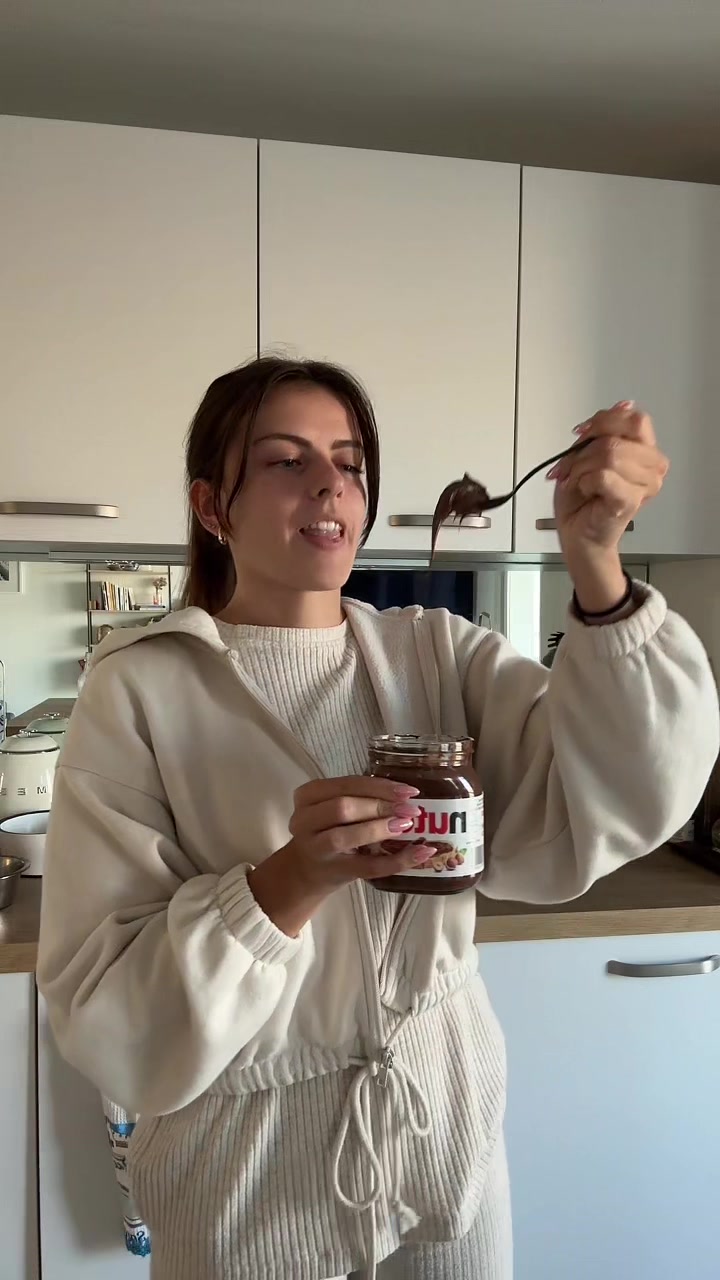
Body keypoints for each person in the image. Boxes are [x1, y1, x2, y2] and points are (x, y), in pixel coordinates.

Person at [38, 356, 718, 1280]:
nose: (330, 484)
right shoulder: (138, 689)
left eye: (350, 462)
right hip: (245, 1181)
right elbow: (107, 1007)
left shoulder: (437, 655)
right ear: (210, 507)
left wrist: (598, 561)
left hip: (443, 1145)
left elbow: (624, 787)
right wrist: (285, 884)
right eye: (285, 460)